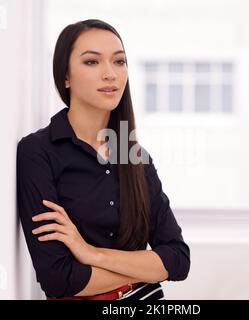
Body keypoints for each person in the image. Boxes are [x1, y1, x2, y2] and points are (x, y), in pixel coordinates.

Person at [16, 19, 190, 300]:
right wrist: (148, 267)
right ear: (65, 77)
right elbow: (59, 279)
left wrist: (90, 253)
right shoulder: (38, 152)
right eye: (92, 62)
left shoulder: (136, 157)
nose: (111, 74)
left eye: (119, 61)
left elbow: (179, 259)